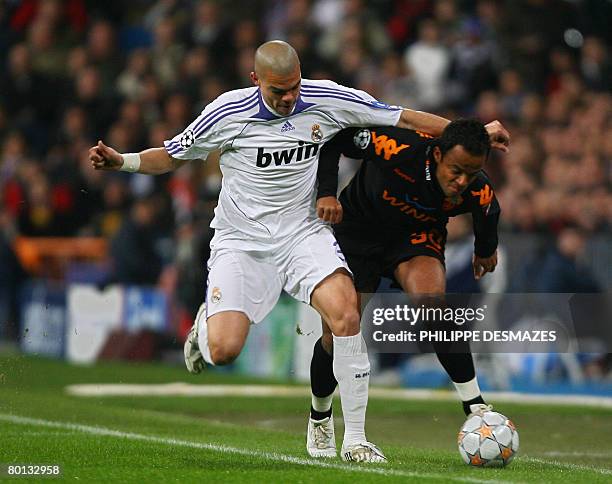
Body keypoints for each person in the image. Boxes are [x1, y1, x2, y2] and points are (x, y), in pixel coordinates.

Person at [89, 40, 509, 462]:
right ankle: (207, 324)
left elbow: (402, 116)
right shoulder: (226, 111)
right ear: (256, 81)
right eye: (278, 91)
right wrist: (122, 162)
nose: (289, 98)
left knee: (345, 316)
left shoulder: (327, 97)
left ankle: (355, 439)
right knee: (224, 350)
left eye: (293, 87)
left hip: (303, 234)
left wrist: (470, 133)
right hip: (242, 242)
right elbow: (172, 155)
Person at [310, 119, 503, 449]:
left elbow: (489, 210)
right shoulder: (396, 146)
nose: (461, 182)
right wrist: (327, 192)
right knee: (338, 331)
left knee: (434, 308)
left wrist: (484, 250)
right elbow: (336, 142)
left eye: (470, 174)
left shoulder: (476, 187)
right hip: (358, 231)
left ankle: (475, 406)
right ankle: (320, 415)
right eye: (456, 170)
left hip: (414, 238)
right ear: (438, 154)